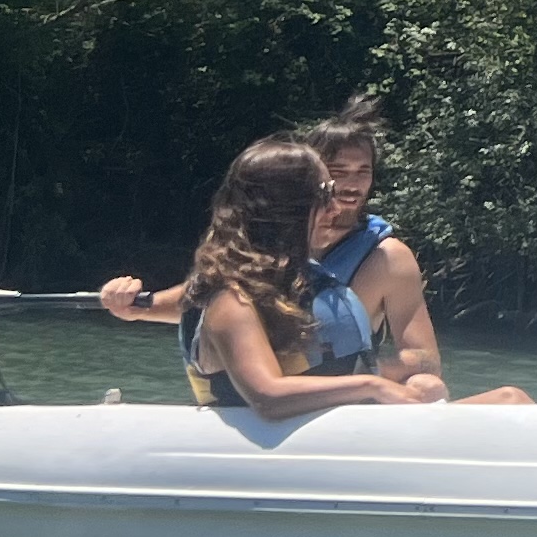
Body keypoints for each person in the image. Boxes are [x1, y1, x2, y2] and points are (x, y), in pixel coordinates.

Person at [101, 96, 530, 406]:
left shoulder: (375, 260)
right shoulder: (233, 296)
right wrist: (135, 306)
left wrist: (370, 377)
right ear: (294, 200)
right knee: (504, 402)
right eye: (329, 183)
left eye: (362, 172)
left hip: (335, 410)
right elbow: (263, 385)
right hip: (307, 417)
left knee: (493, 396)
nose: (342, 194)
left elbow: (424, 363)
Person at [169, 138, 437, 417]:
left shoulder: (292, 283)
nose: (335, 209)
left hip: (339, 435)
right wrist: (373, 385)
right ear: (286, 210)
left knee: (431, 387)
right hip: (264, 451)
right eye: (325, 196)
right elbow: (267, 398)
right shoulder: (232, 301)